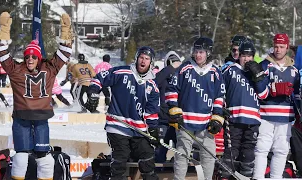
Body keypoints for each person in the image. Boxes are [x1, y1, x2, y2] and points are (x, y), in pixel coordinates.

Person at [0, 12, 73, 180]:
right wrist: (4, 31)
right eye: (27, 56)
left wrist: (66, 31)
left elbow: (65, 53)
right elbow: (1, 53)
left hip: (41, 118)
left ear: (38, 58)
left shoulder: (49, 68)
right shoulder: (16, 70)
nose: (30, 59)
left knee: (45, 158)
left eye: (33, 56)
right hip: (22, 118)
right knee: (21, 157)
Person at [88, 46, 160, 179]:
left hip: (138, 129)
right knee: (121, 156)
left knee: (147, 155)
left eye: (147, 59)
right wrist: (93, 91)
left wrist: (153, 130)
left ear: (151, 63)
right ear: (137, 58)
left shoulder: (152, 86)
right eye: (141, 57)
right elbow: (100, 77)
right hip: (117, 125)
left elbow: (151, 112)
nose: (143, 61)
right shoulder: (122, 72)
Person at [166, 37, 225, 180]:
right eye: (196, 51)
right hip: (185, 122)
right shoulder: (184, 68)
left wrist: (216, 117)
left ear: (208, 53)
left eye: (202, 52)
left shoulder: (215, 72)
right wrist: (174, 109)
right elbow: (172, 90)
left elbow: (219, 97)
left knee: (209, 156)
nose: (198, 55)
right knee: (182, 155)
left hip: (205, 125)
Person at [253, 33, 300, 179]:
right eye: (276, 46)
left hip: (286, 117)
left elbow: (297, 96)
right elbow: (261, 94)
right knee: (261, 148)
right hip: (267, 114)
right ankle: (258, 177)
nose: (278, 50)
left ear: (287, 47)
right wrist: (274, 89)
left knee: (282, 150)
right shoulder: (265, 65)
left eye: (281, 47)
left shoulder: (294, 69)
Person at [220, 40, 269, 179]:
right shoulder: (230, 70)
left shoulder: (259, 71)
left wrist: (258, 78)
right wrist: (221, 107)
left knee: (248, 154)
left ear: (253, 57)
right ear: (238, 56)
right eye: (243, 55)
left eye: (249, 56)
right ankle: (226, 177)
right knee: (231, 152)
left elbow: (264, 95)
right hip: (234, 117)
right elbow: (219, 90)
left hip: (252, 119)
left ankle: (245, 177)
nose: (246, 59)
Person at [154, 51, 181, 163]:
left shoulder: (182, 77)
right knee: (160, 151)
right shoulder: (162, 76)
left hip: (178, 120)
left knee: (181, 151)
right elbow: (154, 82)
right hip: (163, 119)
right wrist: (170, 68)